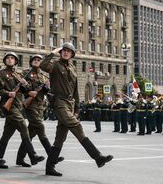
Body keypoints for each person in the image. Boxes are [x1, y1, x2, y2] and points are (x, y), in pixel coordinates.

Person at [40, 43, 113, 176]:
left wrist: (77, 108)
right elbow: (43, 65)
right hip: (59, 102)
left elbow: (75, 91)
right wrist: (53, 52)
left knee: (60, 137)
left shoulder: (73, 68)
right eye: (64, 50)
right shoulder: (55, 65)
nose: (65, 52)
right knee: (76, 126)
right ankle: (98, 157)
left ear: (72, 54)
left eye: (68, 51)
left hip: (70, 103)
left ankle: (49, 167)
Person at [0, 52, 44, 167]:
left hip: (17, 105)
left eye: (12, 58)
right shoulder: (1, 73)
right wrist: (8, 93)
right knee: (22, 125)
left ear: (16, 61)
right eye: (7, 58)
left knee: (7, 134)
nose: (10, 60)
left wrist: (25, 84)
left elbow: (26, 91)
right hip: (8, 106)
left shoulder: (18, 74)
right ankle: (32, 155)